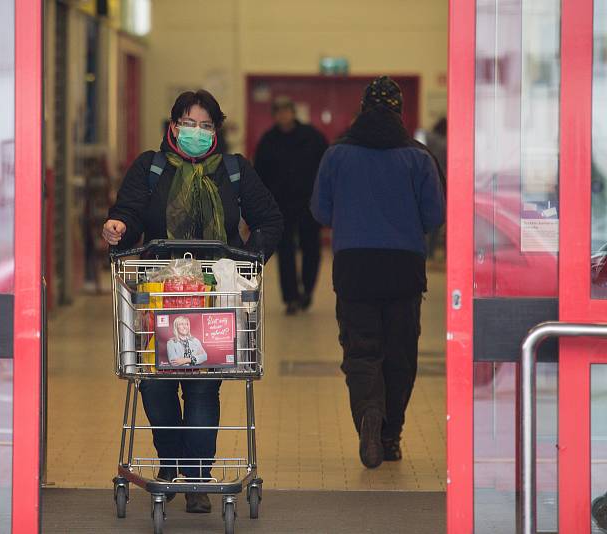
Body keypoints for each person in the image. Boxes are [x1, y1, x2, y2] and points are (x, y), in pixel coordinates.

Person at [103, 89, 282, 513]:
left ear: (216, 131)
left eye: (205, 125)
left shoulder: (235, 172)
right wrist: (117, 227)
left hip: (213, 297)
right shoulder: (151, 167)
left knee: (202, 387)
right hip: (156, 296)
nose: (196, 133)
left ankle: (197, 476)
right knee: (155, 385)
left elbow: (270, 220)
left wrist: (246, 263)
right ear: (172, 126)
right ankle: (172, 465)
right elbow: (128, 214)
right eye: (189, 123)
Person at [311, 76, 445, 469]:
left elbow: (320, 211)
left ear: (362, 109)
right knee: (400, 354)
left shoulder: (336, 155)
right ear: (400, 111)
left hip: (354, 266)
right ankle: (390, 437)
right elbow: (435, 215)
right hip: (403, 268)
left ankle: (370, 411)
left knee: (361, 350)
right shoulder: (418, 157)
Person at [254, 96, 328, 314]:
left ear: (293, 113)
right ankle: (291, 298)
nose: (283, 115)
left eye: (287, 111)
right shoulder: (268, 141)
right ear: (274, 115)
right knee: (284, 251)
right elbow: (259, 175)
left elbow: (325, 171)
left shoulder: (313, 137)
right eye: (279, 112)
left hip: (309, 203)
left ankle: (307, 290)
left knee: (311, 248)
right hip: (279, 206)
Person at [424, 117, 447, 263]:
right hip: (441, 182)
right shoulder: (444, 144)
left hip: (426, 181)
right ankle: (436, 253)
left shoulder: (427, 138)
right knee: (438, 220)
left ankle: (429, 252)